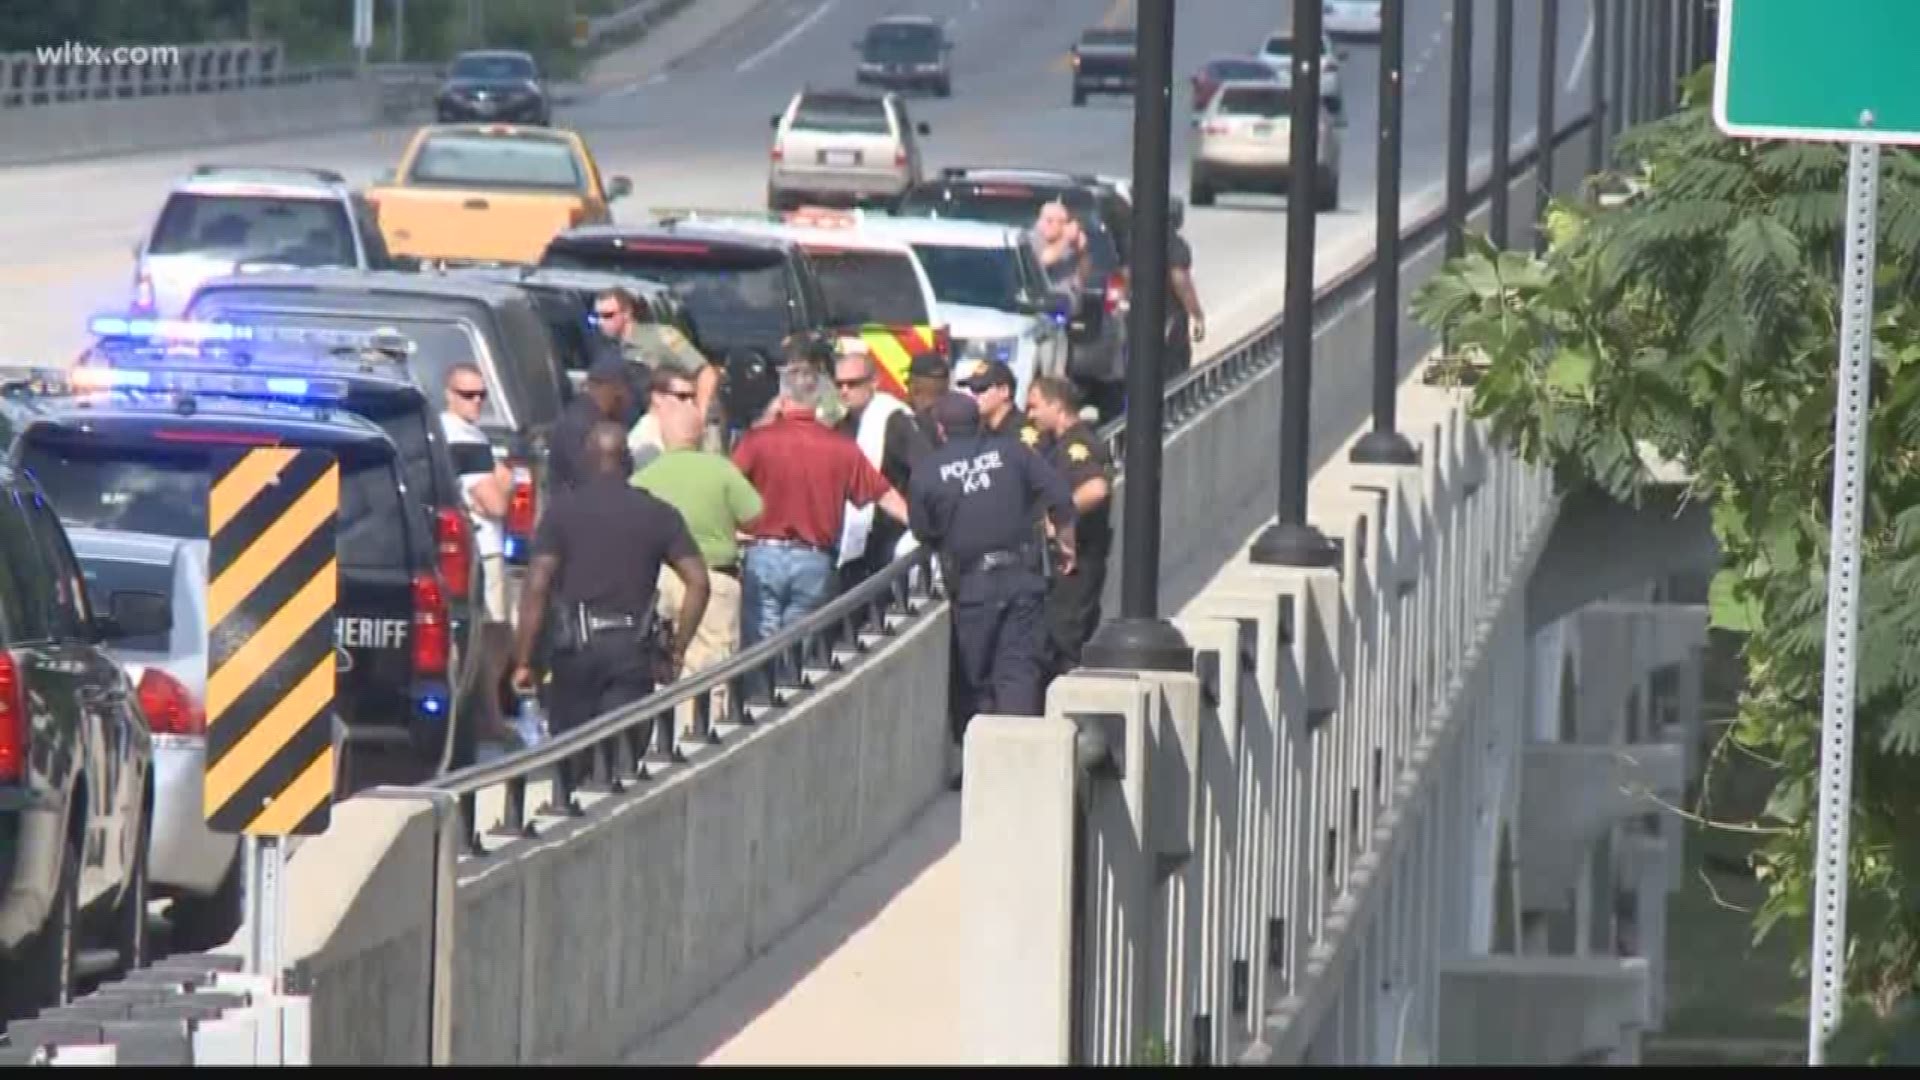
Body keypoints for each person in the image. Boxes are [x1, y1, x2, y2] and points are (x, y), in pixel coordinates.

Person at [511, 422, 710, 777]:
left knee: (572, 763)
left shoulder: (562, 512)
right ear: (628, 462)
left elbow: (536, 585)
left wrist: (524, 659)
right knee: (622, 766)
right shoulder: (658, 513)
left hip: (575, 652)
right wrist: (677, 649)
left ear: (586, 461)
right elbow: (699, 583)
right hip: (632, 651)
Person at [909, 392, 1078, 785]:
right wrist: (1066, 545)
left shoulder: (929, 472)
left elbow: (923, 531)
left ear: (940, 429)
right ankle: (1021, 767)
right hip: (1022, 577)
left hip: (972, 587)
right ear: (979, 421)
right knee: (1018, 671)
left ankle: (984, 772)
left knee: (975, 676)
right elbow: (1061, 499)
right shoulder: (1014, 453)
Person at [732, 363, 910, 647]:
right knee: (799, 646)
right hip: (815, 559)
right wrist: (921, 528)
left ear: (783, 399)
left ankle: (761, 691)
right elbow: (884, 494)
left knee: (759, 646)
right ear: (816, 401)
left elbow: (728, 485)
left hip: (763, 553)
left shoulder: (757, 441)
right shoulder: (842, 447)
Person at [632, 401, 762, 726]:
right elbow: (756, 516)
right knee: (712, 671)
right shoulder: (721, 470)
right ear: (701, 435)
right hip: (714, 580)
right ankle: (701, 739)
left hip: (659, 581)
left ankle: (664, 738)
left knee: (663, 668)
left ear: (663, 436)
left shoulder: (644, 478)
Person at [438, 361, 515, 747]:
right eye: (468, 394)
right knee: (495, 631)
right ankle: (490, 715)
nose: (477, 402)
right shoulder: (465, 440)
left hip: (472, 551)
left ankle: (486, 711)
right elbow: (496, 504)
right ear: (449, 395)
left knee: (488, 632)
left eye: (482, 394)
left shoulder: (454, 432)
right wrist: (507, 480)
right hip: (483, 551)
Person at [1026, 376, 1114, 678]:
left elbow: (1097, 489)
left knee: (1065, 645)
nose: (1031, 415)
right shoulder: (1059, 444)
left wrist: (1060, 518)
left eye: (1035, 407)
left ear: (1056, 406)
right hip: (1063, 566)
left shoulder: (1078, 445)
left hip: (1075, 567)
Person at [834, 348, 930, 591]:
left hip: (891, 531)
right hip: (855, 536)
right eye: (840, 384)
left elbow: (925, 470)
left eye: (853, 383)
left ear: (873, 382)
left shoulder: (894, 420)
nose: (844, 390)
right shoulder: (841, 427)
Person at [595, 286, 723, 452]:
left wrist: (698, 417)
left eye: (608, 316)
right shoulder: (610, 349)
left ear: (627, 313)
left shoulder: (662, 337)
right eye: (597, 316)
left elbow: (706, 373)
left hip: (674, 426)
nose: (601, 322)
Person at [548, 356, 636, 493]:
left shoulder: (597, 417)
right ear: (616, 388)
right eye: (627, 390)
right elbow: (591, 481)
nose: (629, 399)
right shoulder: (581, 426)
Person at [956, 358, 1043, 448]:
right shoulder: (978, 430)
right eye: (972, 389)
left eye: (980, 388)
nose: (973, 395)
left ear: (1004, 391)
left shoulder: (1025, 433)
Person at [630, 367, 702, 473]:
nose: (690, 404)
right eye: (682, 397)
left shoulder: (680, 431)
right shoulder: (645, 439)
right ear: (657, 397)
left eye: (693, 397)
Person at [1165, 222, 1207, 381]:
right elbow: (1180, 279)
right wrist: (1197, 315)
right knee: (1174, 377)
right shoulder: (1172, 243)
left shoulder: (1125, 238)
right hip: (1169, 320)